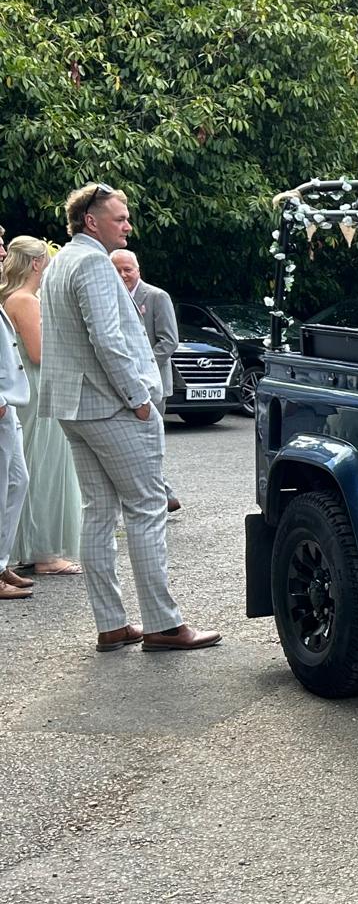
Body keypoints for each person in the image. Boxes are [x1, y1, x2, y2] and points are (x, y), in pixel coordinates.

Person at [36, 183, 219, 652]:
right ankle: (162, 624)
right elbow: (108, 338)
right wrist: (138, 396)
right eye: (120, 218)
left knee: (98, 513)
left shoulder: (60, 263)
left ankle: (112, 625)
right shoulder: (94, 263)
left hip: (73, 406)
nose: (128, 225)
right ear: (91, 221)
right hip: (110, 405)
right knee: (146, 509)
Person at [0, 236, 82, 575]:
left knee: (25, 468)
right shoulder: (25, 300)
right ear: (37, 263)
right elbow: (39, 353)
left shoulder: (10, 297)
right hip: (36, 388)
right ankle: (44, 552)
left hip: (28, 390)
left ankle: (27, 549)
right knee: (44, 467)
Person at [110, 249, 180, 512]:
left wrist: (141, 370)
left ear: (138, 270)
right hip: (122, 384)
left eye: (127, 269)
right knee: (131, 444)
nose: (123, 274)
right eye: (116, 269)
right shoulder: (110, 297)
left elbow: (169, 341)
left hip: (152, 384)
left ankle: (160, 495)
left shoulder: (156, 296)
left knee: (149, 443)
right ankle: (162, 494)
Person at [0, 281, 32, 600]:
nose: (3, 252)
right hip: (2, 403)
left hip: (10, 404)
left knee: (18, 481)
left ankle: (2, 561)